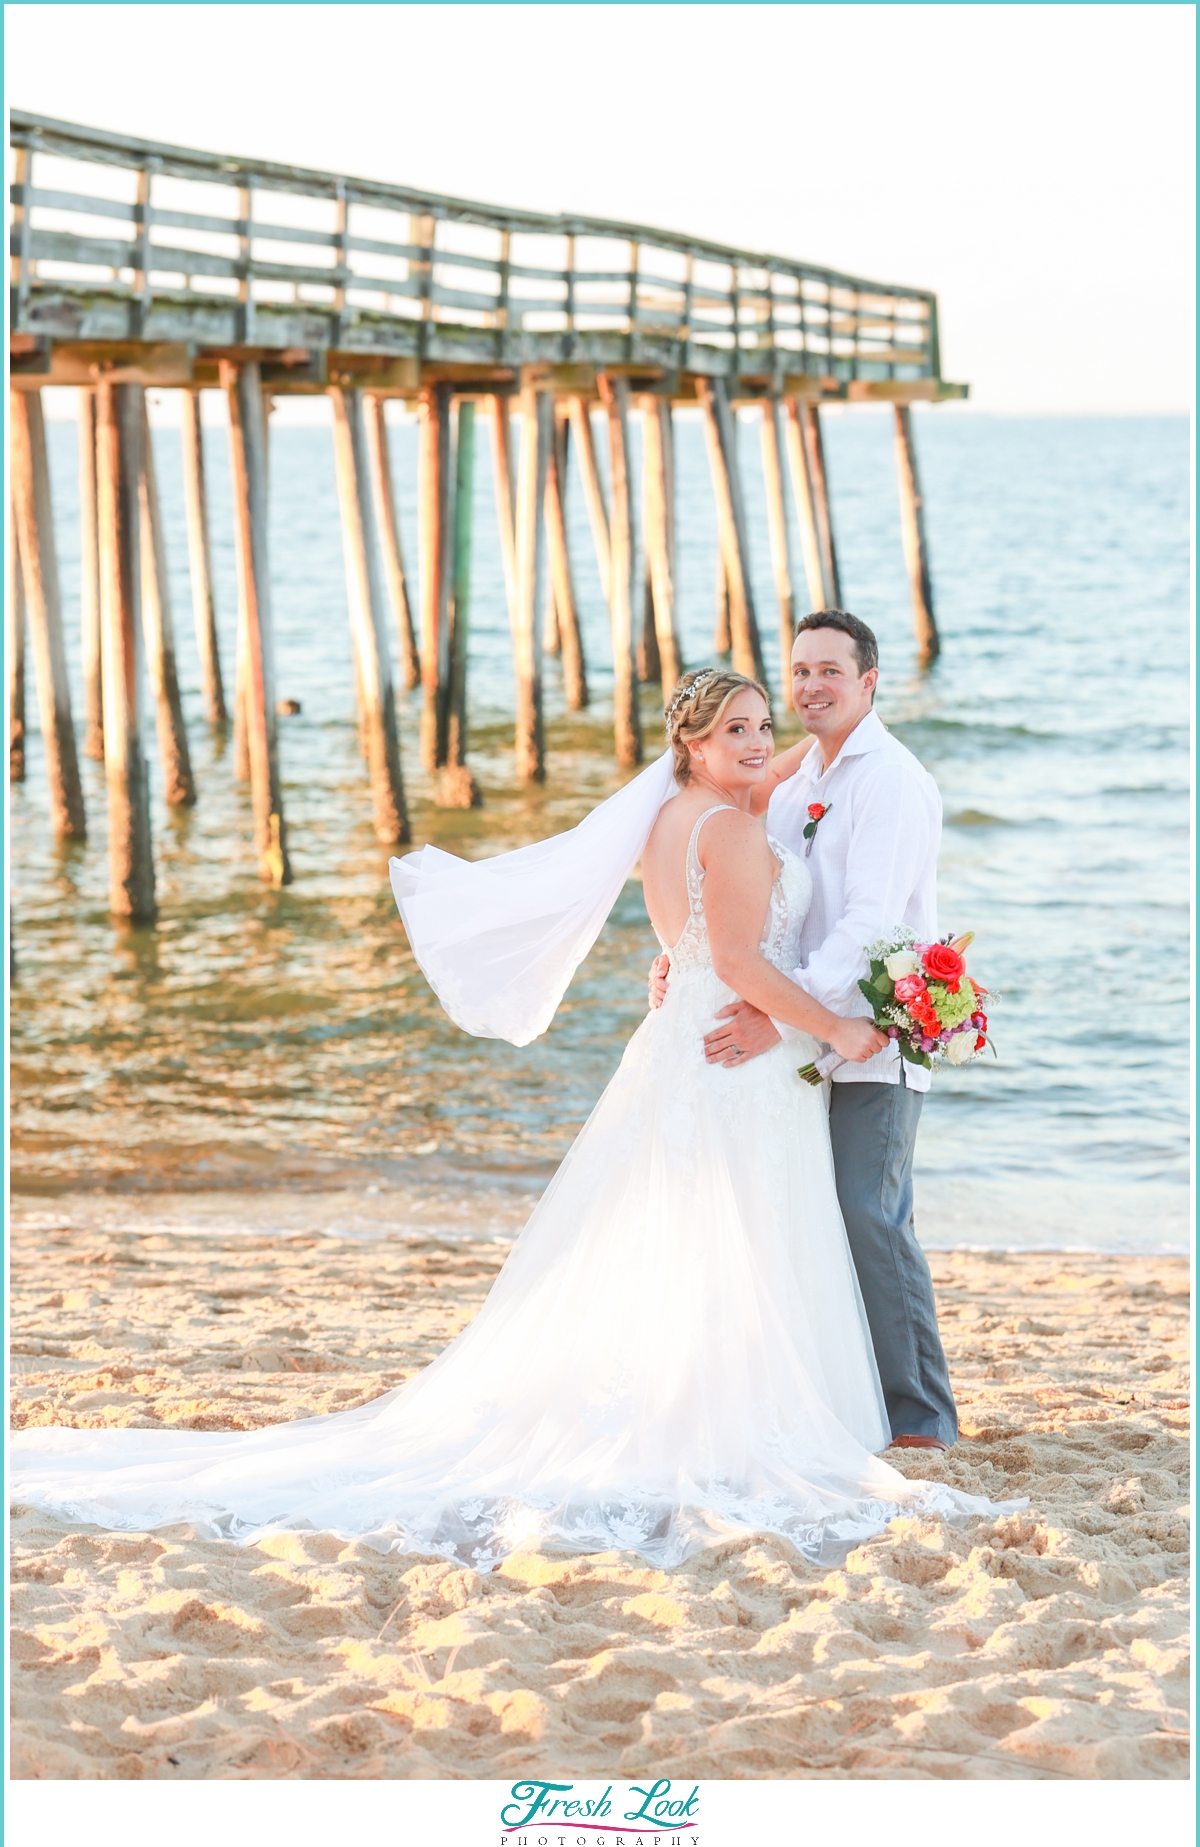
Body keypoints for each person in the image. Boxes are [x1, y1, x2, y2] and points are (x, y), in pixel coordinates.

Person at [12, 671, 1011, 1569]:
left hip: (675, 1048)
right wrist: (838, 1022)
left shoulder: (673, 816)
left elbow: (704, 929)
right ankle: (734, 1413)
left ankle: (680, 1396)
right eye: (738, 731)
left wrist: (811, 747)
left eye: (765, 727)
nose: (759, 745)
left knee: (679, 1231)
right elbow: (746, 967)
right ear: (694, 745)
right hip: (733, 1054)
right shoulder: (738, 829)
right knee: (744, 1233)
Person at [650, 612, 958, 1451]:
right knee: (805, 1223)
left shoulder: (889, 781)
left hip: (865, 1034)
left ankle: (921, 1419)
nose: (811, 685)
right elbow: (732, 895)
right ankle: (835, 1402)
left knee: (870, 1214)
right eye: (799, 672)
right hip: (795, 1038)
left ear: (869, 681)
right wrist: (680, 959)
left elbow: (868, 924)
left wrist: (776, 1014)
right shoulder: (790, 780)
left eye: (830, 670)